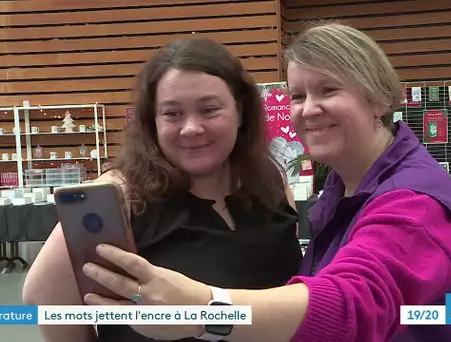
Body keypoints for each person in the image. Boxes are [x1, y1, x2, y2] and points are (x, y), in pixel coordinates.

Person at [75, 23, 451, 342]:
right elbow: (45, 299)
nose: (310, 110)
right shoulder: (345, 188)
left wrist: (205, 309)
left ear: (381, 98)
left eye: (329, 89)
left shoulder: (411, 201)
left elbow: (353, 304)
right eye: (298, 96)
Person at [22, 37, 302, 341]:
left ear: (241, 113)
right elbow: (43, 295)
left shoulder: (271, 182)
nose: (191, 127)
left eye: (209, 109)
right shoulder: (120, 195)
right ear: (152, 122)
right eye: (172, 113)